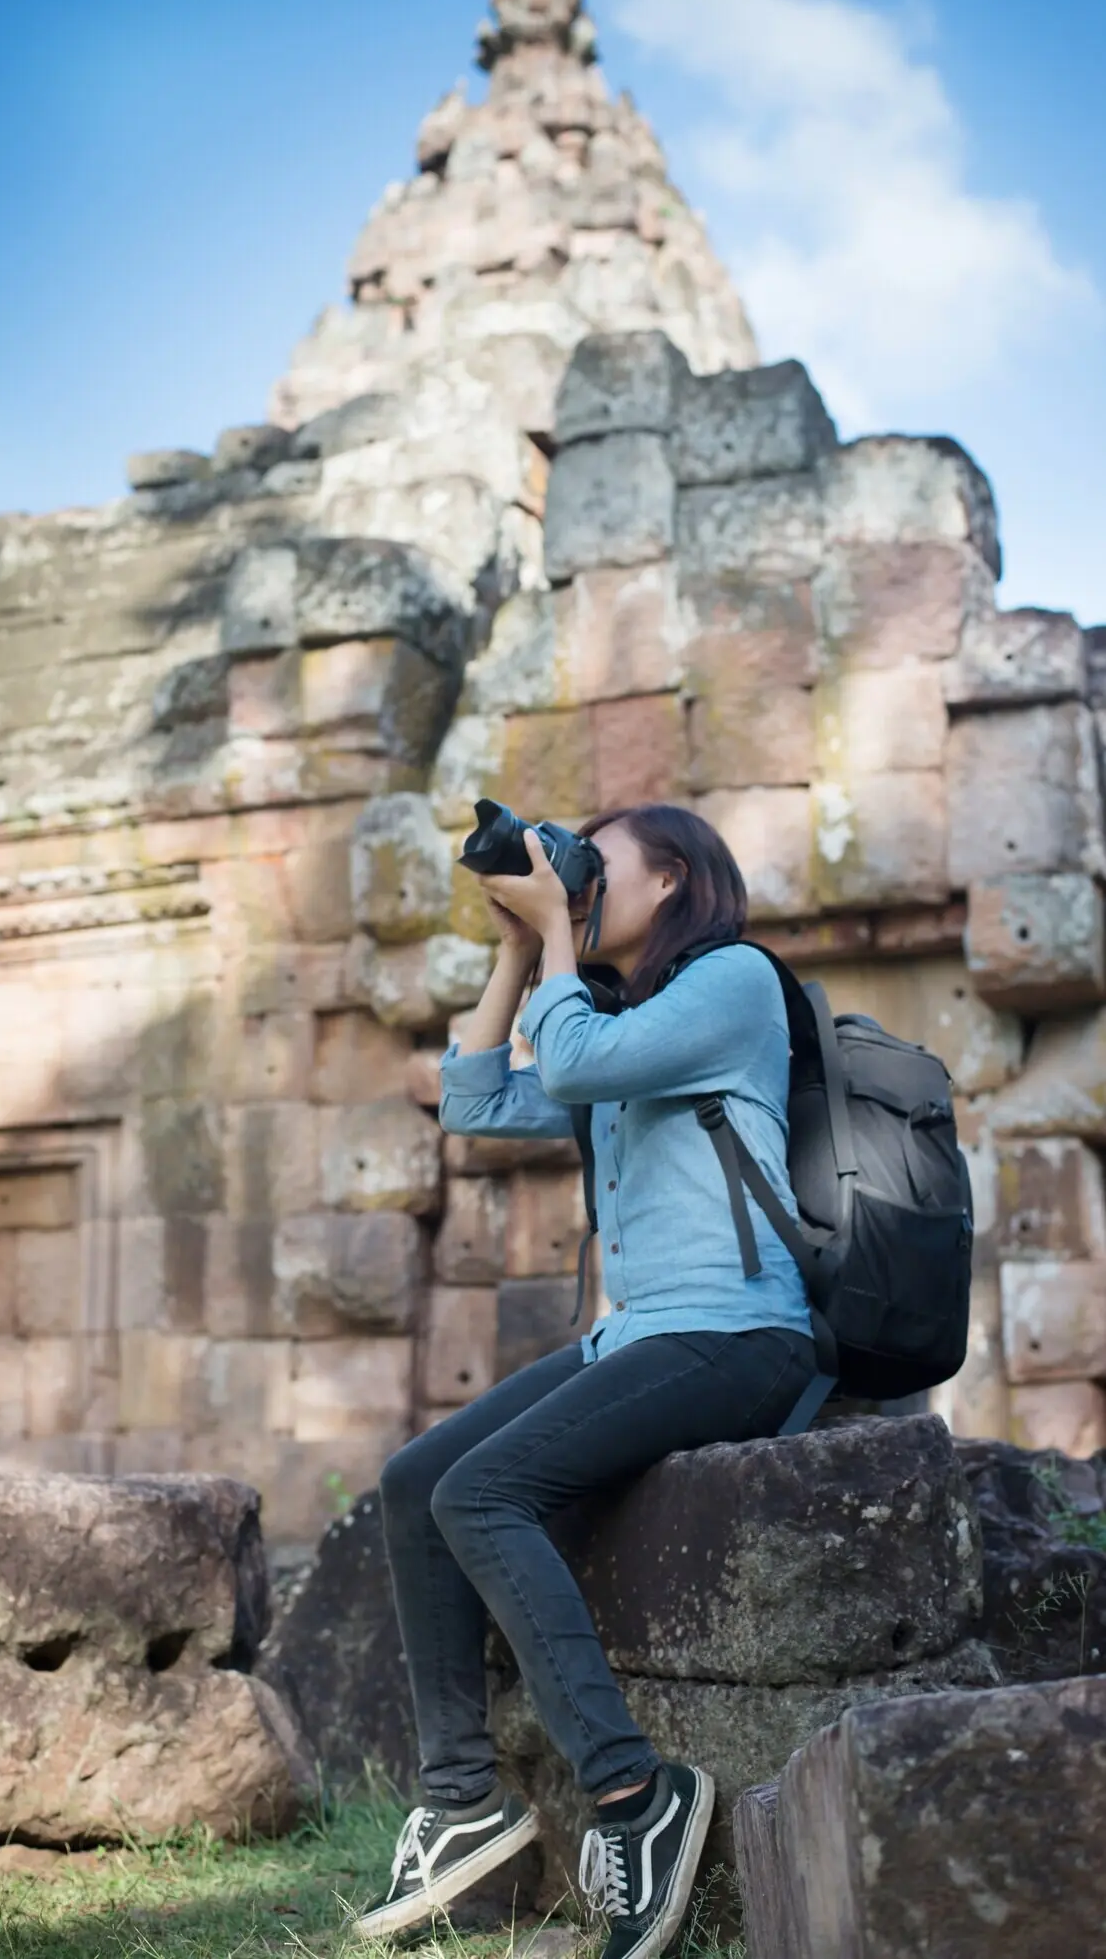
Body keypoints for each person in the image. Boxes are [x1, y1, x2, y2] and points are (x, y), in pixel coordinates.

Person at [355, 804, 816, 1959]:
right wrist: (520, 941)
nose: (579, 885)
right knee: (419, 1482)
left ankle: (632, 1795)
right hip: (641, 1336)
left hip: (740, 1333)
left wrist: (555, 938)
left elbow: (568, 1061)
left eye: (596, 868)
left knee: (483, 1493)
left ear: (672, 881)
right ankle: (462, 1805)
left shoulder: (734, 983)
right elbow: (472, 1101)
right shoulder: (611, 1018)